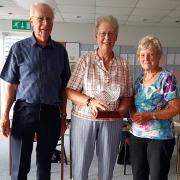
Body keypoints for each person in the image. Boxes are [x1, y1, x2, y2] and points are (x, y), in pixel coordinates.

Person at [0, 2, 70, 180]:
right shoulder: (18, 49)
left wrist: (63, 118)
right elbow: (11, 86)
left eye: (49, 19)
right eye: (40, 19)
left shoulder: (60, 52)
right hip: (24, 112)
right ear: (31, 21)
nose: (45, 23)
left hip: (51, 114)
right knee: (19, 167)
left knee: (45, 167)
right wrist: (4, 116)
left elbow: (64, 88)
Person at [66, 15, 133, 180]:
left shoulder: (123, 64)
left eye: (111, 34)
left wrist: (120, 111)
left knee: (107, 165)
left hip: (112, 122)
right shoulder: (85, 60)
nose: (107, 38)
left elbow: (127, 96)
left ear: (116, 37)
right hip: (84, 119)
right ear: (96, 36)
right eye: (103, 33)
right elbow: (70, 91)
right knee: (80, 165)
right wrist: (90, 102)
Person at [130, 34, 180, 180]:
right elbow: (133, 104)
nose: (146, 58)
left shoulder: (167, 78)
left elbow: (175, 108)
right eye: (142, 54)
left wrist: (150, 115)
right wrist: (133, 114)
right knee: (139, 175)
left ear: (158, 57)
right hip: (137, 135)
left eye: (151, 54)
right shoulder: (139, 79)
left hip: (160, 136)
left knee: (157, 176)